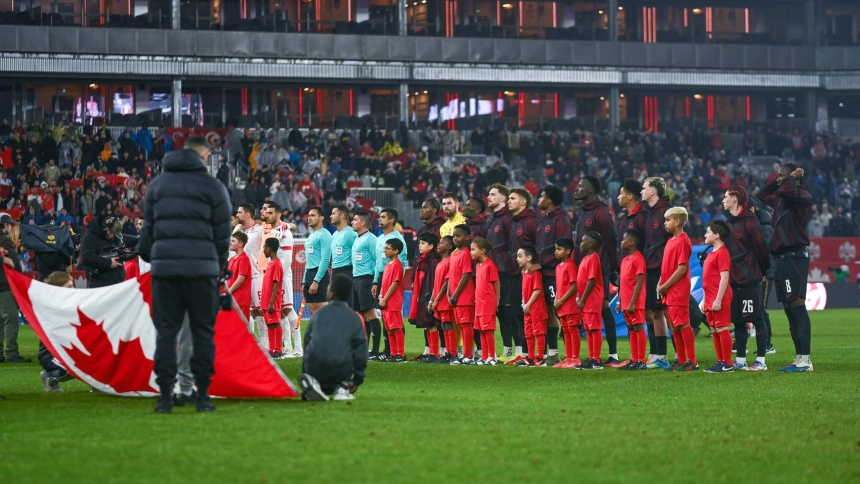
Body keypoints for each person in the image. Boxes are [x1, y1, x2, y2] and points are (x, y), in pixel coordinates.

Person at [138, 136, 231, 414]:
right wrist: (218, 265)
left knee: (166, 334)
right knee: (203, 334)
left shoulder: (157, 186)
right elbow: (222, 234)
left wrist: (156, 257)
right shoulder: (213, 187)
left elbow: (147, 236)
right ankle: (202, 396)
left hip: (165, 272)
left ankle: (165, 397)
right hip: (202, 272)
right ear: (203, 155)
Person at [757, 164, 814, 372]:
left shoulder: (803, 195)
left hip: (795, 256)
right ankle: (799, 358)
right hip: (781, 258)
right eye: (778, 175)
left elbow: (786, 190)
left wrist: (789, 179)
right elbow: (762, 194)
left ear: (794, 177)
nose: (779, 179)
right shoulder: (782, 197)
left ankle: (806, 360)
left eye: (782, 175)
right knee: (789, 309)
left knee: (797, 306)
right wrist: (781, 179)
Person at [298, 274, 368, 402]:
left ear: (331, 294)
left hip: (314, 369)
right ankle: (343, 387)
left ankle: (315, 385)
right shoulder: (355, 318)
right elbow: (361, 351)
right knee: (347, 351)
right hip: (340, 371)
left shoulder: (317, 315)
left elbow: (307, 345)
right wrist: (357, 380)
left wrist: (306, 372)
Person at [573, 176, 619, 366]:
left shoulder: (600, 212)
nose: (577, 189)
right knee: (601, 309)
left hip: (599, 269)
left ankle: (611, 354)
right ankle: (597, 355)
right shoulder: (584, 211)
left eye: (581, 186)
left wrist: (612, 267)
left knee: (603, 308)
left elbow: (611, 239)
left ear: (591, 190)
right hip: (585, 268)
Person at [722, 187, 770, 371]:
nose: (723, 200)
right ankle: (740, 360)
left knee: (757, 318)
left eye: (726, 197)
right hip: (734, 279)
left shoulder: (751, 222)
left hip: (750, 278)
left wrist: (763, 271)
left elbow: (762, 249)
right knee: (739, 321)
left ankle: (761, 360)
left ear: (735, 199)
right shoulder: (728, 223)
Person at [531, 184, 570, 367]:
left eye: (541, 196)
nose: (538, 199)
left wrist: (543, 263)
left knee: (560, 311)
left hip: (556, 273)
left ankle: (572, 354)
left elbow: (564, 248)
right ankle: (553, 353)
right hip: (543, 273)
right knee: (548, 311)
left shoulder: (561, 219)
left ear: (549, 200)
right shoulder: (543, 220)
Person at [656, 207, 697, 372]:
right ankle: (680, 360)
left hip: (677, 289)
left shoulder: (682, 240)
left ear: (678, 221)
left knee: (682, 324)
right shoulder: (670, 241)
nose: (665, 223)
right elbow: (666, 267)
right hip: (668, 289)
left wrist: (665, 285)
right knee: (674, 325)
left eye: (668, 220)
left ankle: (692, 361)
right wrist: (660, 283)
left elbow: (681, 269)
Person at [485, 184, 521, 363]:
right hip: (495, 273)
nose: (488, 197)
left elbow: (513, 246)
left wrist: (509, 267)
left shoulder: (508, 219)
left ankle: (520, 351)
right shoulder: (493, 220)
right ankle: (507, 351)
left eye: (492, 195)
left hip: (508, 274)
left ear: (503, 199)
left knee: (511, 313)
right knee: (500, 313)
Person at [262, 202, 301, 357]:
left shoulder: (280, 232)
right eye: (267, 212)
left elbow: (286, 258)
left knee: (287, 310)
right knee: (281, 313)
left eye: (271, 213)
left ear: (278, 215)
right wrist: (286, 226)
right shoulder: (277, 230)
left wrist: (279, 276)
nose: (267, 215)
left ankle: (298, 349)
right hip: (279, 274)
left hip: (282, 276)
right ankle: (287, 347)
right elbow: (292, 226)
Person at [641, 177, 672, 369]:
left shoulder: (665, 212)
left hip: (662, 269)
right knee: (656, 311)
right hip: (652, 267)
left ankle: (681, 357)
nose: (642, 191)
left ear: (653, 191)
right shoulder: (651, 213)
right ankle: (662, 356)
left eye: (644, 188)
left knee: (667, 312)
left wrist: (666, 268)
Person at [507, 188, 538, 365]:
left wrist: (535, 266)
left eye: (513, 198)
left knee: (538, 315)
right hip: (516, 275)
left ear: (523, 202)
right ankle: (525, 353)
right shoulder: (514, 222)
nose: (509, 201)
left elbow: (537, 245)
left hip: (531, 275)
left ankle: (542, 354)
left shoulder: (531, 221)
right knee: (518, 314)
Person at [371, 208, 407, 357]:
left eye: (383, 217)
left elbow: (402, 264)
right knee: (386, 317)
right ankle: (389, 351)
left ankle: (398, 352)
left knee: (395, 319)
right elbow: (377, 262)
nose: (379, 219)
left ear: (391, 220)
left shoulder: (398, 240)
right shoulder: (380, 238)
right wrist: (375, 281)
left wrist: (396, 285)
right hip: (381, 276)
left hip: (392, 280)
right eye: (380, 217)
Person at [701, 221, 735, 373]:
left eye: (708, 232)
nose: (705, 234)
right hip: (710, 297)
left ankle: (727, 364)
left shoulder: (722, 253)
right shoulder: (711, 253)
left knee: (722, 328)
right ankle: (720, 361)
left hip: (718, 297)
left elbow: (724, 278)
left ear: (717, 235)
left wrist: (718, 299)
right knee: (714, 329)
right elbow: (707, 280)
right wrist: (704, 299)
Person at [616, 229, 647, 370]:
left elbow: (639, 282)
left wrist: (633, 302)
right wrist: (619, 301)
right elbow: (622, 283)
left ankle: (641, 360)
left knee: (638, 327)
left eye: (624, 239)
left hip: (635, 302)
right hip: (626, 302)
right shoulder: (624, 260)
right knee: (631, 329)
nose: (621, 242)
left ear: (631, 242)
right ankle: (634, 360)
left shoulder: (638, 258)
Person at [350, 212, 380, 358]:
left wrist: (375, 281)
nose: (352, 221)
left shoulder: (371, 239)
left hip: (367, 280)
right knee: (362, 314)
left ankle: (375, 351)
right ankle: (366, 349)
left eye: (355, 219)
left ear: (362, 223)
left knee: (370, 313)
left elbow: (378, 261)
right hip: (356, 279)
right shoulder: (357, 239)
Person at [39, 271, 75, 392]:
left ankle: (97, 386)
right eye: (69, 286)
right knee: (74, 367)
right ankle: (50, 377)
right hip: (51, 354)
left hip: (70, 350)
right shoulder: (50, 308)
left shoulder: (72, 305)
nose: (73, 289)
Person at [236, 203, 266, 347]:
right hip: (242, 277)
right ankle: (252, 344)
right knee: (247, 311)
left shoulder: (260, 230)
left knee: (260, 311)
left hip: (256, 276)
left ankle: (266, 344)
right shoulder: (240, 233)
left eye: (240, 212)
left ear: (248, 215)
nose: (237, 215)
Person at [409, 233, 442, 361]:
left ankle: (434, 353)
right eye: (420, 243)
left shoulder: (433, 261)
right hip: (423, 295)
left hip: (429, 296)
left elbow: (434, 281)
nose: (420, 246)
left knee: (431, 324)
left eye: (423, 243)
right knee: (427, 324)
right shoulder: (423, 259)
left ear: (431, 246)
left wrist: (431, 298)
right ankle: (430, 353)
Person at [574, 232, 605, 370]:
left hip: (592, 299)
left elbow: (591, 281)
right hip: (585, 300)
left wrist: (583, 299)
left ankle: (596, 360)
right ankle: (591, 357)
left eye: (583, 241)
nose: (580, 244)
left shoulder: (593, 258)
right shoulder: (585, 258)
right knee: (588, 329)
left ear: (590, 244)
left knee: (594, 328)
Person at [0, 213, 28, 363]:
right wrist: (18, 282)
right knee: (10, 319)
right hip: (4, 286)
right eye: (9, 225)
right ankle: (11, 353)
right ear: (4, 226)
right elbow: (15, 264)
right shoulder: (6, 241)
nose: (10, 227)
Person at [448, 225, 477, 365]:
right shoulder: (453, 254)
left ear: (467, 237)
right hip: (455, 297)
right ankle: (464, 355)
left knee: (466, 325)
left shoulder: (466, 253)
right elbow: (451, 277)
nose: (455, 238)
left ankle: (468, 355)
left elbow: (466, 275)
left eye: (458, 235)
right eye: (454, 235)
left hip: (464, 296)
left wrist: (455, 295)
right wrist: (449, 294)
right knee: (460, 325)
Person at [80, 214, 131, 288]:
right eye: (114, 234)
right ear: (107, 229)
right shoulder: (90, 236)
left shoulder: (113, 235)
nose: (114, 237)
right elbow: (86, 257)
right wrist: (109, 263)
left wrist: (122, 251)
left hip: (118, 282)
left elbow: (117, 245)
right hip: (101, 284)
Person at [470, 237, 500, 365]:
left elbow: (496, 283)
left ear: (482, 251)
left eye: (473, 249)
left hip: (488, 302)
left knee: (487, 330)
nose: (471, 252)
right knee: (481, 329)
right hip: (479, 303)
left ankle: (492, 356)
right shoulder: (478, 265)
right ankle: (484, 356)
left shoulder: (490, 265)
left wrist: (497, 300)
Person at [553, 237, 581, 368]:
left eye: (559, 249)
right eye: (556, 249)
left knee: (572, 330)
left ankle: (575, 358)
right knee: (565, 330)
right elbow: (559, 287)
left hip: (570, 305)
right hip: (561, 305)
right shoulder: (558, 267)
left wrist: (562, 300)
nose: (556, 252)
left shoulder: (571, 266)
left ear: (568, 251)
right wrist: (556, 299)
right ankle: (568, 357)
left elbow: (574, 286)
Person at [429, 235, 457, 362]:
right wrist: (431, 300)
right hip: (438, 301)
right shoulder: (440, 263)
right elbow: (436, 284)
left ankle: (452, 353)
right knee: (444, 326)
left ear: (449, 247)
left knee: (449, 324)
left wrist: (436, 300)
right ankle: (448, 352)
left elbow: (446, 284)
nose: (438, 245)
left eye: (441, 243)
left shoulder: (450, 261)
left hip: (445, 300)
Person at [517, 245, 546, 367]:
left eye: (520, 256)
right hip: (527, 307)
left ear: (529, 258)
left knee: (538, 332)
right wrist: (525, 304)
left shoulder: (536, 273)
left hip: (536, 308)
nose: (517, 259)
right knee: (528, 333)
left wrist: (528, 304)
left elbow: (537, 290)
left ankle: (540, 358)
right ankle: (531, 357)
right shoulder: (524, 273)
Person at [378, 238, 406, 363]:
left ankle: (400, 354)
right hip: (385, 300)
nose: (385, 250)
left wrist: (384, 298)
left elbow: (395, 284)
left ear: (396, 251)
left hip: (392, 301)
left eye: (387, 248)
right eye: (385, 248)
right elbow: (384, 283)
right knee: (389, 328)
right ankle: (393, 353)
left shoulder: (397, 265)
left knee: (396, 327)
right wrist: (380, 295)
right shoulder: (388, 264)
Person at [302, 207, 332, 314]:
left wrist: (316, 280)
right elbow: (308, 261)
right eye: (309, 215)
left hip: (319, 275)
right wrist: (304, 280)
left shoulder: (325, 234)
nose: (309, 218)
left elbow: (325, 260)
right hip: (309, 274)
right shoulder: (311, 235)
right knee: (313, 313)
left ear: (321, 218)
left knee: (323, 314)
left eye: (313, 215)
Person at [262, 238, 285, 358]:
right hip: (266, 301)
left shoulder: (276, 263)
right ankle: (272, 349)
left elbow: (276, 283)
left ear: (269, 249)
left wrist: (271, 302)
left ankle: (278, 350)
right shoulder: (271, 263)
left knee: (275, 323)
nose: (263, 251)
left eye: (264, 248)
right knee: (270, 325)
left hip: (272, 301)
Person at [330, 204, 357, 308]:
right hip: (335, 272)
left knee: (349, 305)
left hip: (347, 272)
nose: (331, 216)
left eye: (333, 213)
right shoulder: (334, 234)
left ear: (342, 216)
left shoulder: (351, 233)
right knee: (336, 305)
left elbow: (357, 254)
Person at [227, 232, 252, 323]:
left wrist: (228, 291)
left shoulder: (244, 258)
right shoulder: (232, 259)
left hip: (241, 299)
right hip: (233, 298)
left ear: (241, 244)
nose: (230, 243)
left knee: (242, 328)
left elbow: (241, 279)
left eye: (233, 241)